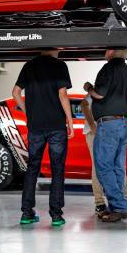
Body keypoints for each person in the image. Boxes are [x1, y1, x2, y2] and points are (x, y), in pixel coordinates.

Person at [13, 49, 74, 227]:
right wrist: (69, 121)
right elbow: (62, 94)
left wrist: (29, 113)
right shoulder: (59, 65)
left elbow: (16, 92)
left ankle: (26, 213)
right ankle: (56, 215)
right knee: (57, 169)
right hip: (56, 127)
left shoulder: (29, 65)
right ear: (54, 49)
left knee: (32, 168)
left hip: (36, 127)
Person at [84, 49, 127, 223]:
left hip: (109, 124)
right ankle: (118, 206)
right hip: (124, 123)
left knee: (103, 167)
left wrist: (89, 87)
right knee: (118, 167)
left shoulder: (108, 69)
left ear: (111, 52)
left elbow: (99, 94)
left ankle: (120, 206)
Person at [81, 93, 127, 217]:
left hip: (109, 129)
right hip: (96, 131)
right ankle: (100, 202)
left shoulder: (113, 90)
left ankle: (119, 201)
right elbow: (84, 104)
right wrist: (92, 125)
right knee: (100, 166)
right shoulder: (99, 89)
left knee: (115, 165)